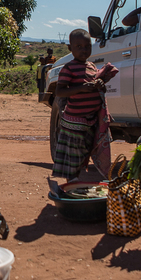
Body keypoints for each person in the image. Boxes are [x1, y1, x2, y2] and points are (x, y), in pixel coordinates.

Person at [51, 28, 118, 182]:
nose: (84, 50)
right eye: (79, 47)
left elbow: (100, 89)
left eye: (87, 46)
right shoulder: (68, 68)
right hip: (74, 122)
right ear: (70, 49)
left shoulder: (92, 67)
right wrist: (81, 88)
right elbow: (60, 91)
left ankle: (75, 183)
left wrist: (100, 83)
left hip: (90, 121)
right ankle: (71, 184)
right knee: (74, 155)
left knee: (84, 153)